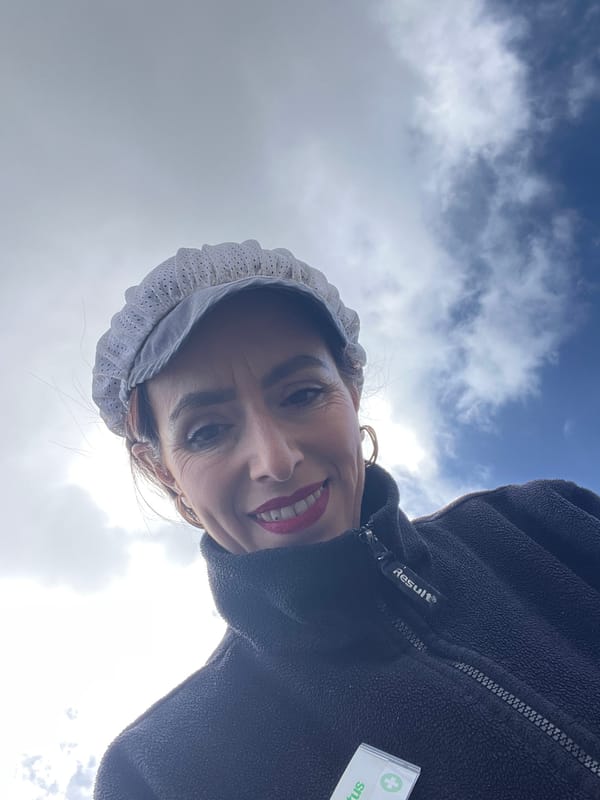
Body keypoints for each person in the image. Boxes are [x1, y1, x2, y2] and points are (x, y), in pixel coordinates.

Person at [92, 240, 600, 800]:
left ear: (352, 391)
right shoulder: (160, 774)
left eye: (303, 393)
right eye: (206, 432)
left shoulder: (540, 524)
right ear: (162, 470)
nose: (276, 460)